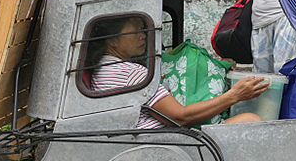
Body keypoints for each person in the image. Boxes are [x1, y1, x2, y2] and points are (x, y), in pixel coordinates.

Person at [87, 16, 268, 128]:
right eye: (135, 31)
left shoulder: (103, 68)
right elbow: (181, 117)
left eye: (143, 30)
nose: (143, 35)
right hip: (166, 141)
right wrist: (234, 95)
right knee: (250, 120)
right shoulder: (132, 73)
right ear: (112, 40)